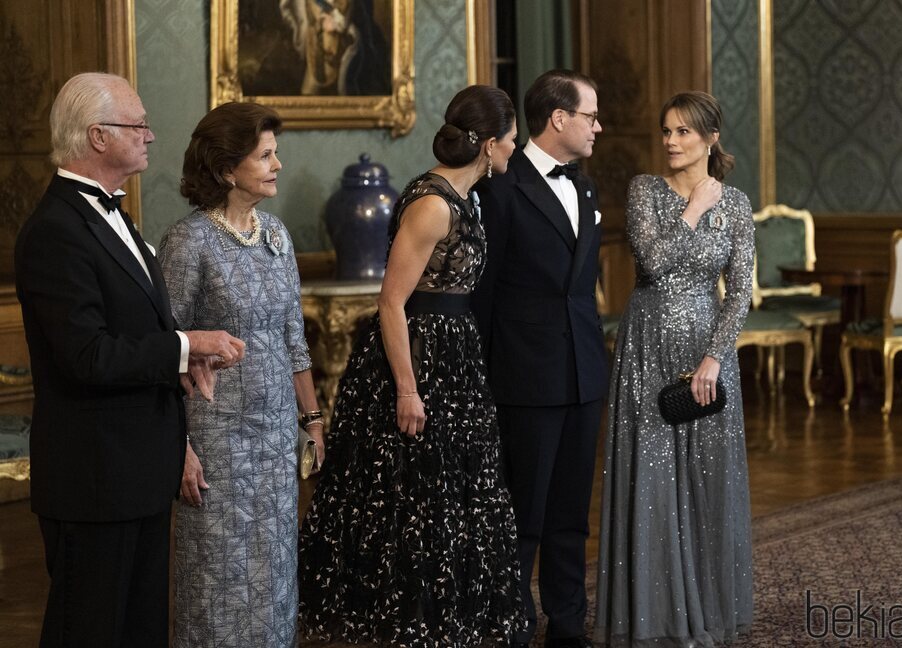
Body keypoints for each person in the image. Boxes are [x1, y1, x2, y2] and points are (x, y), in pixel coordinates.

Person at [14, 72, 245, 648]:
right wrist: (187, 346)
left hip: (137, 469)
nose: (150, 135)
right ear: (97, 136)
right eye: (137, 125)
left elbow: (133, 327)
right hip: (92, 478)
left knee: (140, 629)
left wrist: (181, 361)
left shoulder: (112, 218)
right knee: (88, 631)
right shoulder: (56, 231)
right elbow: (85, 355)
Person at [298, 85, 526, 646]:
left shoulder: (466, 196)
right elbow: (391, 301)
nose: (514, 151)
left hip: (457, 358)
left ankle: (451, 617)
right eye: (512, 141)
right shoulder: (432, 204)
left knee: (455, 494)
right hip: (418, 362)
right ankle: (411, 621)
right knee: (412, 496)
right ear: (490, 144)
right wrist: (407, 389)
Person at [158, 101, 324, 648]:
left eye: (277, 153)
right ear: (228, 168)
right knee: (218, 574)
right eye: (266, 155)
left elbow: (292, 337)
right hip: (217, 439)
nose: (278, 164)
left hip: (276, 437)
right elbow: (165, 351)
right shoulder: (189, 242)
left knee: (274, 574)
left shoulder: (276, 234)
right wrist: (179, 446)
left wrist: (313, 419)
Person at [595, 91, 755, 646]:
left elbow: (740, 293)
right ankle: (654, 616)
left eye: (683, 132)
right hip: (647, 343)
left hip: (709, 350)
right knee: (655, 476)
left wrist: (715, 356)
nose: (670, 142)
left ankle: (707, 612)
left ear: (711, 138)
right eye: (666, 131)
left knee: (709, 479)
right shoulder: (645, 191)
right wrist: (692, 211)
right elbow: (652, 261)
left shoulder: (737, 204)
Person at [472, 69, 607, 648]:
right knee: (523, 515)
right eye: (590, 116)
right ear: (559, 119)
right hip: (524, 376)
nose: (598, 126)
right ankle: (511, 627)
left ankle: (569, 627)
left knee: (571, 515)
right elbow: (482, 292)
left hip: (583, 372)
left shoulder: (585, 187)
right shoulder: (498, 188)